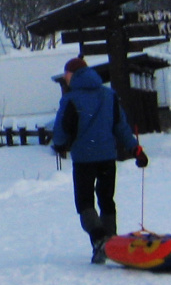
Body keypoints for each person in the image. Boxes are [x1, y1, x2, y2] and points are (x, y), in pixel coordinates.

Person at [51, 57, 145, 264]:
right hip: (107, 157)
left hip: (84, 159)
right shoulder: (108, 95)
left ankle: (101, 240)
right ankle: (112, 243)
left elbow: (61, 130)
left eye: (66, 74)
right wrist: (135, 149)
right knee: (106, 200)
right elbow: (121, 126)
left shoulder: (71, 98)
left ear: (71, 75)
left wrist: (59, 144)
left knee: (84, 203)